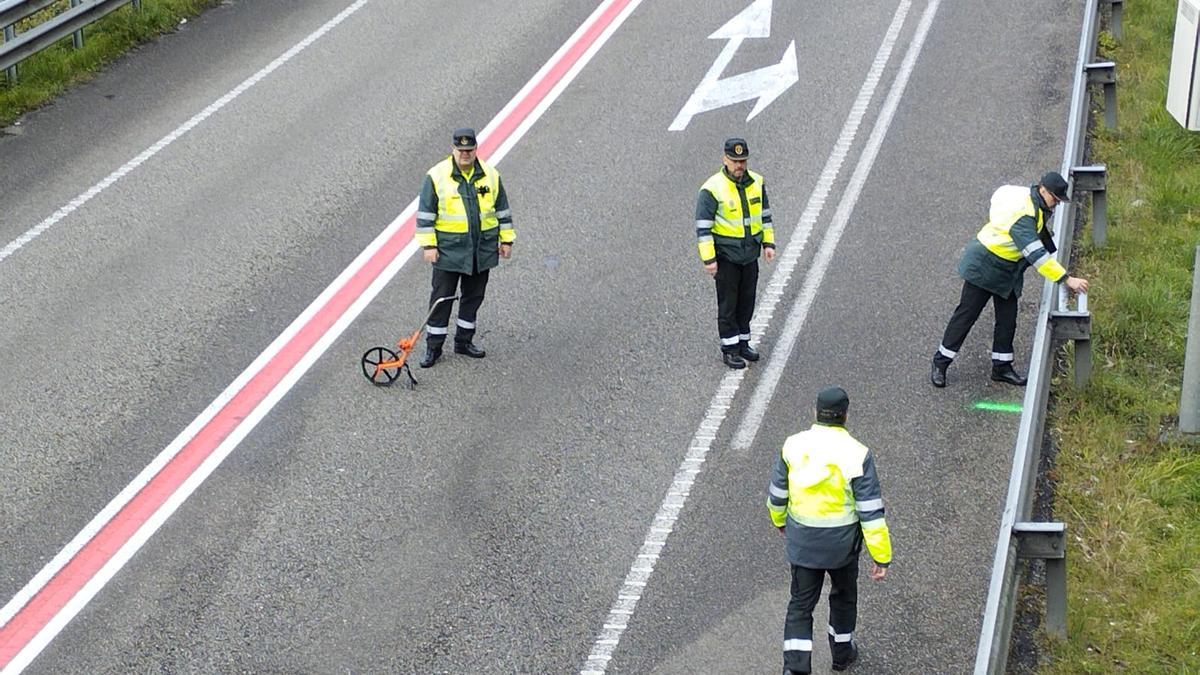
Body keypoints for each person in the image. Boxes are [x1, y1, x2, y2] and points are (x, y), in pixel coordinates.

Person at [767, 387, 891, 674]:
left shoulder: (792, 446)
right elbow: (870, 510)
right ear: (845, 415)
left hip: (803, 542)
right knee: (844, 596)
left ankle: (795, 669)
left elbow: (777, 495)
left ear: (816, 412)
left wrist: (780, 520)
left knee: (800, 605)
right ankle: (842, 654)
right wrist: (881, 555)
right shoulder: (858, 453)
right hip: (842, 546)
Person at [930, 171, 1089, 387]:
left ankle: (1002, 367)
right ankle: (940, 362)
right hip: (985, 265)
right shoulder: (1025, 214)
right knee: (966, 315)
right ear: (1043, 190)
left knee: (1007, 320)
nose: (1056, 205)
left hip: (1008, 269)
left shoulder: (1035, 202)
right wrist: (1065, 279)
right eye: (1055, 199)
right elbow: (1036, 256)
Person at [415, 128, 515, 368]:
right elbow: (426, 214)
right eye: (460, 150)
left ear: (475, 150)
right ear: (453, 150)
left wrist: (507, 240)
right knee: (441, 299)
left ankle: (464, 341)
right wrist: (429, 245)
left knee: (473, 298)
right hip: (449, 251)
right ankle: (433, 348)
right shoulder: (437, 176)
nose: (465, 154)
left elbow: (502, 210)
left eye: (469, 150)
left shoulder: (490, 175)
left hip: (481, 251)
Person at [695, 138, 776, 369]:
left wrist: (768, 244)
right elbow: (703, 227)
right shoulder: (712, 189)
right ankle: (729, 348)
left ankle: (743, 342)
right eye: (735, 161)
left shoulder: (756, 182)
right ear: (725, 159)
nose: (739, 165)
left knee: (747, 300)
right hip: (727, 256)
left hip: (749, 255)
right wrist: (709, 259)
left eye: (742, 161)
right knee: (729, 303)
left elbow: (765, 215)